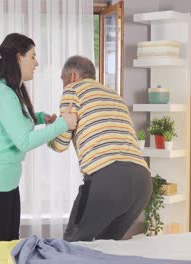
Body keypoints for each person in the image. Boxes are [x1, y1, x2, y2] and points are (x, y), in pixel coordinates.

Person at [0, 33, 77, 243]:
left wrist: (41, 118)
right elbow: (24, 141)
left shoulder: (8, 89)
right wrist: (64, 123)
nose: (36, 63)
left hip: (3, 184)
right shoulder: (3, 93)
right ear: (18, 57)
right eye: (33, 56)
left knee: (10, 246)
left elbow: (12, 122)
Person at [48, 55, 152, 242]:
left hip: (109, 178)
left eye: (62, 80)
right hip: (142, 181)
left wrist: (53, 128)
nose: (63, 85)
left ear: (72, 76)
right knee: (106, 248)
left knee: (73, 244)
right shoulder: (114, 95)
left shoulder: (73, 90)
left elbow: (60, 144)